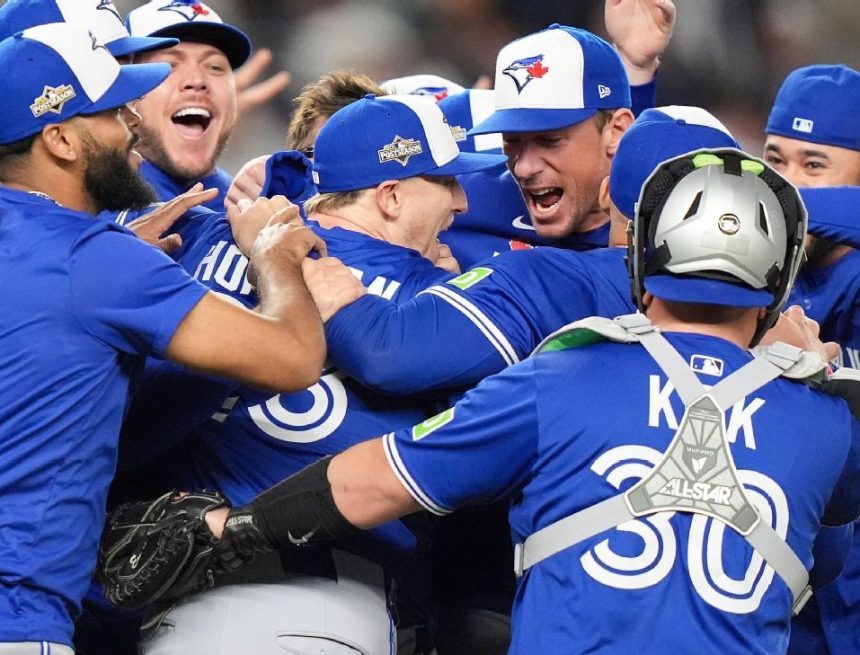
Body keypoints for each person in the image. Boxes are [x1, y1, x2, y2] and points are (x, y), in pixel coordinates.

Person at [205, 147, 860, 654]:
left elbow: (373, 483)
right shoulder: (827, 419)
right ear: (776, 285)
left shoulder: (561, 378)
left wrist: (225, 531)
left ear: (640, 260)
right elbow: (824, 560)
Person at [114, 93, 505, 655]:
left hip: (145, 578)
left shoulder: (196, 234)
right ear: (390, 197)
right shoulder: (430, 302)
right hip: (296, 595)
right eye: (445, 182)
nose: (463, 201)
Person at [0, 22, 346, 651]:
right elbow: (293, 359)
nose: (130, 121)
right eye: (109, 111)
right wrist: (273, 259)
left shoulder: (81, 259)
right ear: (60, 139)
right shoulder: (97, 261)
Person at [763, 63, 860, 655]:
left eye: (814, 163)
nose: (790, 180)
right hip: (778, 588)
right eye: (774, 161)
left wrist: (773, 201)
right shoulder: (748, 276)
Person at [124, 0, 251, 210]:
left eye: (215, 67)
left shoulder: (251, 204)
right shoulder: (92, 201)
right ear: (125, 92)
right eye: (169, 66)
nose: (197, 80)